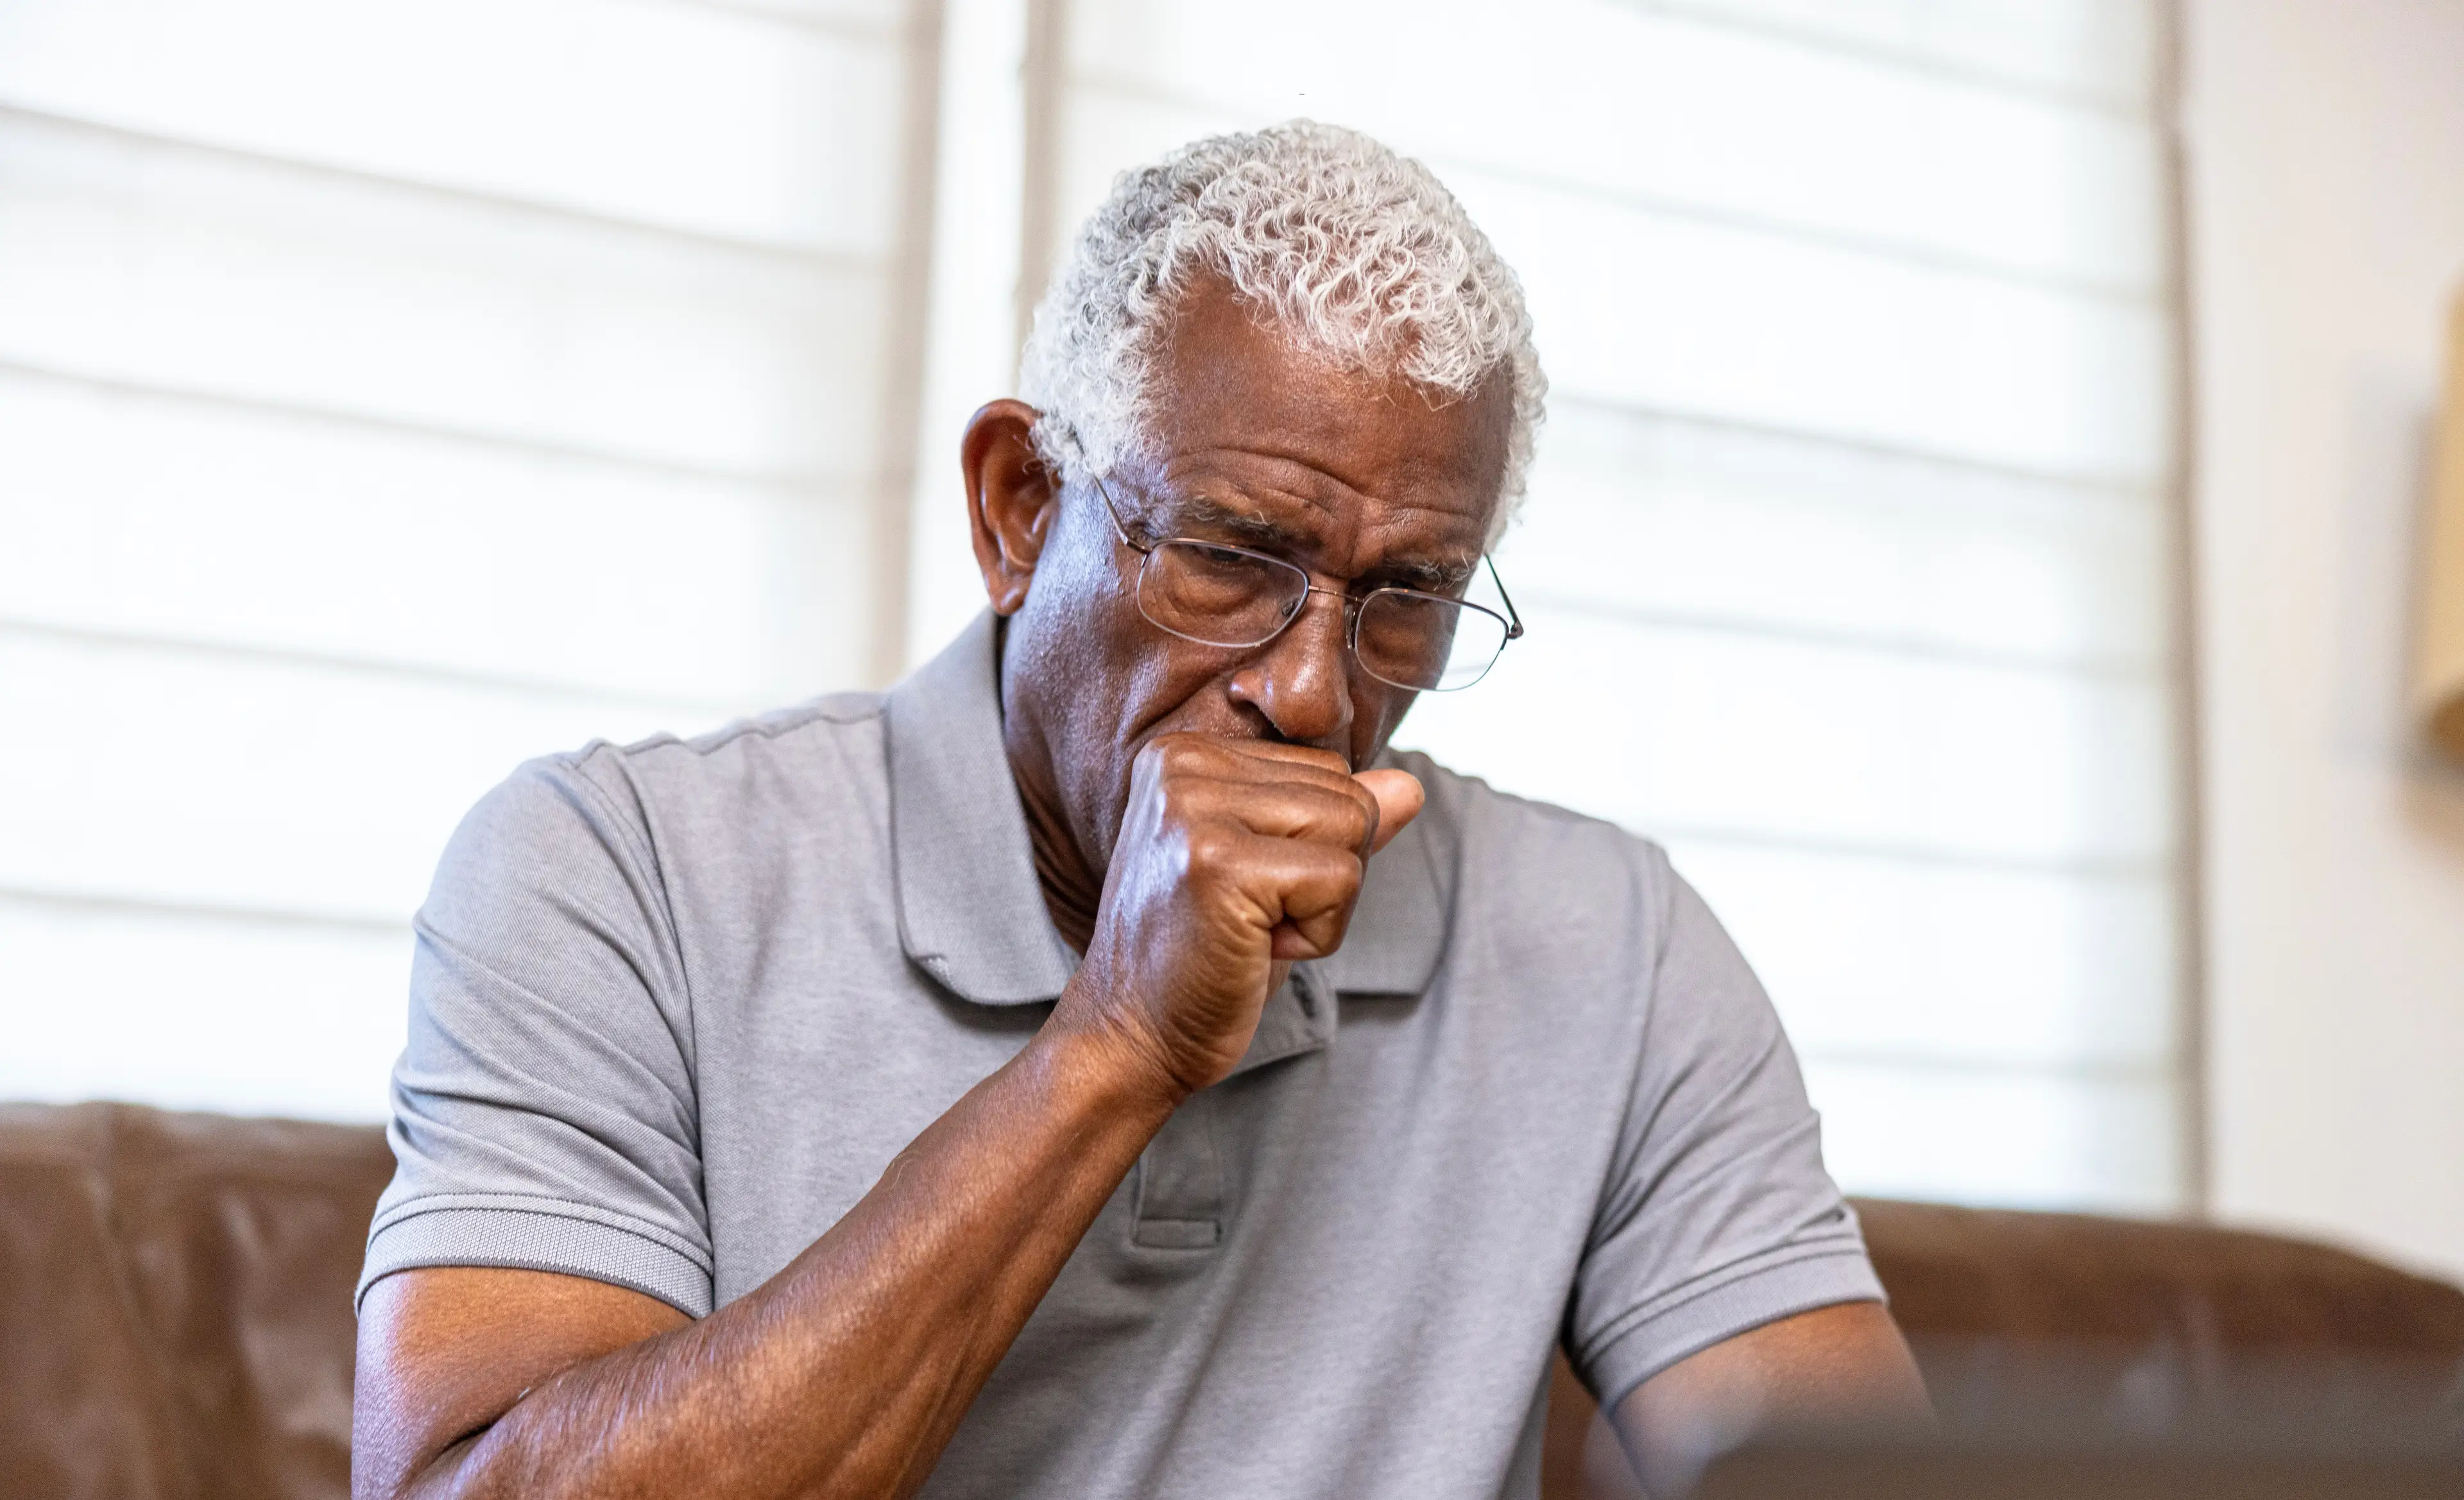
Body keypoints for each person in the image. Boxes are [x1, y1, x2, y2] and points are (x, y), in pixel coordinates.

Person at [352, 122, 1927, 1500]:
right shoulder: (609, 873)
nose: (1314, 691)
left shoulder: (1615, 947)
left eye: (1408, 596)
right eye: (1233, 555)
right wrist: (1114, 1048)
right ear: (1019, 511)